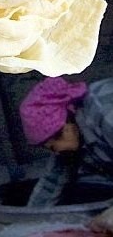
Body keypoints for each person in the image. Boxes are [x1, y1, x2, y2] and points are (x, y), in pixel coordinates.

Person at [19, 76, 113, 232]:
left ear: (65, 125)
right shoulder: (73, 135)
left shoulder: (104, 110)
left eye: (54, 143)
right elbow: (52, 184)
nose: (57, 150)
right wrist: (28, 225)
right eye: (49, 148)